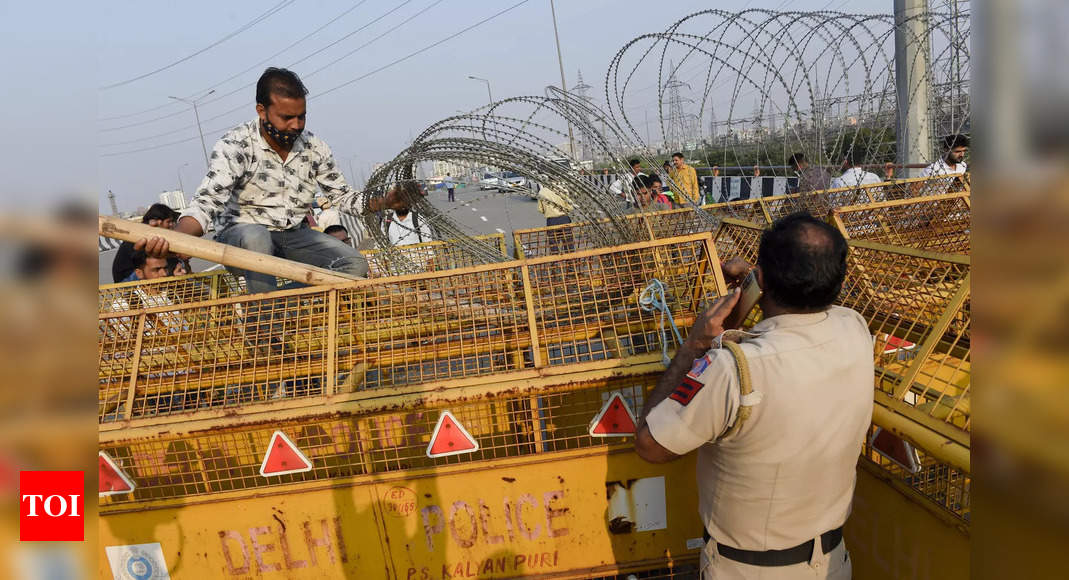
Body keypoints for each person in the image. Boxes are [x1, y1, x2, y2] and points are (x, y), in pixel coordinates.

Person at [635, 212, 872, 579]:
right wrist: (757, 278)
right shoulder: (854, 328)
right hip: (832, 562)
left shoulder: (732, 370)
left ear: (762, 281)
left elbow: (650, 445)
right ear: (836, 280)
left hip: (747, 571)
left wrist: (695, 344)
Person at [136, 67, 403, 294]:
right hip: (241, 240)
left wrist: (386, 201)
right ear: (262, 111)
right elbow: (206, 204)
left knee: (354, 266)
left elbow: (344, 198)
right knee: (257, 236)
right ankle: (268, 337)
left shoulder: (314, 147)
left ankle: (270, 310)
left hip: (293, 237)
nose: (296, 125)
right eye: (287, 117)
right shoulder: (237, 145)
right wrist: (175, 240)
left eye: (302, 116)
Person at [112, 203, 178, 283]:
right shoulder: (144, 235)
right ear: (159, 222)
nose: (171, 225)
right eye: (169, 222)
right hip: (126, 279)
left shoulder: (146, 232)